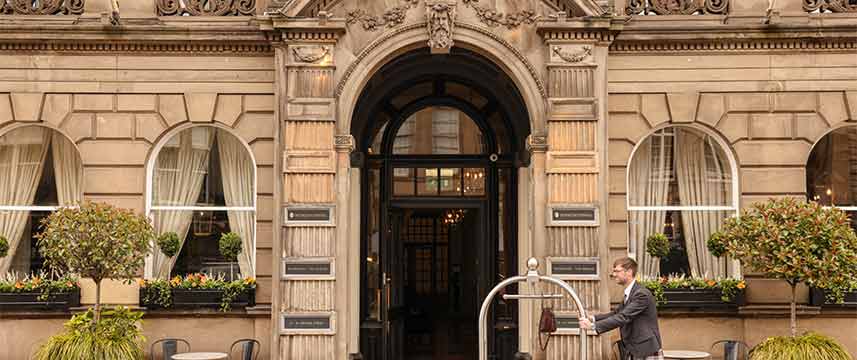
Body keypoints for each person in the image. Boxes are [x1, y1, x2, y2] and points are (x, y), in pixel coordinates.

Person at [579, 257, 663, 360]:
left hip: (645, 350)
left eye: (617, 271)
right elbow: (616, 313)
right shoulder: (631, 293)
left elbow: (623, 317)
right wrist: (593, 318)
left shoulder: (641, 294)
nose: (613, 275)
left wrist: (593, 326)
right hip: (634, 349)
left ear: (629, 272)